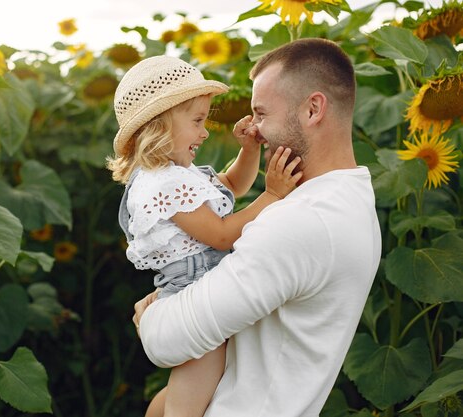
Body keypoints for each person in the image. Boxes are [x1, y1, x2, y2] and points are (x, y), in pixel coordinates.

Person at [132, 38, 382, 417]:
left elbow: (167, 341)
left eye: (261, 114)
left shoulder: (302, 221)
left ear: (313, 109)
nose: (254, 130)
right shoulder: (350, 200)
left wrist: (147, 316)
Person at [107, 55, 302, 417]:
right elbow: (222, 235)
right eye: (197, 120)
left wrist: (249, 149)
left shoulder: (179, 173)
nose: (205, 131)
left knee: (199, 388)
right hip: (193, 292)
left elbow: (231, 186)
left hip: (202, 284)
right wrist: (272, 196)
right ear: (159, 125)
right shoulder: (161, 183)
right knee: (192, 399)